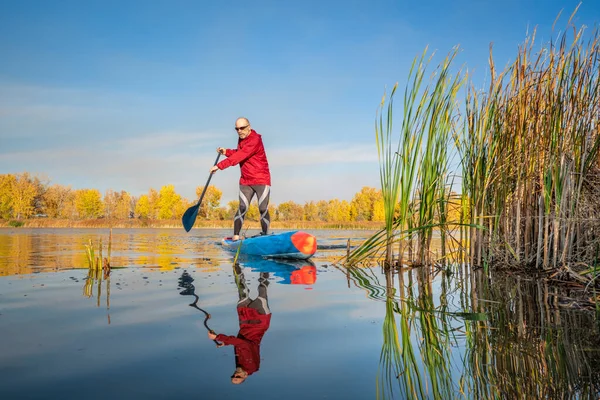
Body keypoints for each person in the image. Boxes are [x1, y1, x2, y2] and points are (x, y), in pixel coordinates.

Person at [207, 265, 272, 384]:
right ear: (245, 376)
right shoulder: (250, 366)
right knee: (262, 289)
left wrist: (225, 342)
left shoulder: (241, 365)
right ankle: (264, 261)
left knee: (242, 293)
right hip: (259, 321)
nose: (235, 374)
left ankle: (236, 267)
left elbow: (239, 345)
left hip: (245, 322)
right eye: (238, 377)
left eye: (233, 375)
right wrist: (218, 337)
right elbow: (243, 343)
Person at [210, 117, 271, 241]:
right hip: (245, 181)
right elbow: (240, 152)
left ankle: (265, 236)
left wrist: (219, 166)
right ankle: (236, 237)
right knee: (242, 207)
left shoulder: (255, 140)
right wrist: (226, 151)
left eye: (242, 128)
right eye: (236, 129)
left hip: (261, 179)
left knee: (263, 208)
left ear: (249, 127)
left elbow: (240, 156)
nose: (239, 131)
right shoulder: (242, 139)